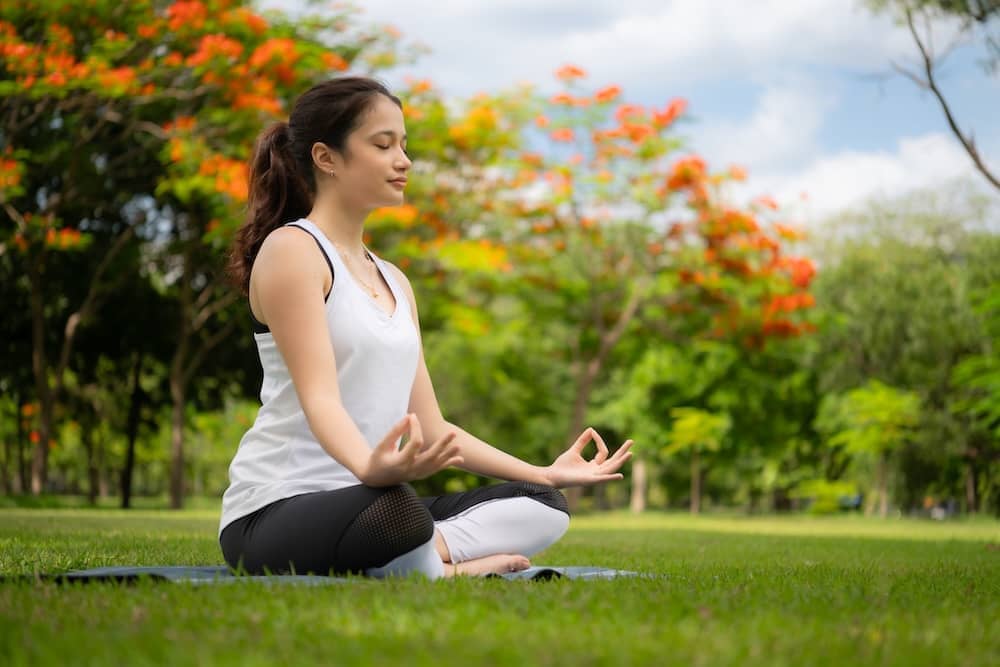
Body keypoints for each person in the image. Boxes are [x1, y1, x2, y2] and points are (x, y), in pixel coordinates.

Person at [219, 76, 633, 579]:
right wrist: (372, 469)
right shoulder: (293, 251)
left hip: (375, 501)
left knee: (543, 505)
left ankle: (415, 558)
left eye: (404, 145)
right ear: (327, 158)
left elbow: (436, 431)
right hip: (278, 509)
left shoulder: (394, 280)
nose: (404, 161)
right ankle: (446, 568)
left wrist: (543, 471)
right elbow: (321, 399)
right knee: (396, 510)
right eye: (383, 144)